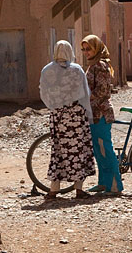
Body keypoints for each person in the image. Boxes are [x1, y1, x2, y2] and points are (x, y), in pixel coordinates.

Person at [39, 40, 94, 200]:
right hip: (76, 116)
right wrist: (87, 114)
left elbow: (43, 93)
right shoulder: (77, 70)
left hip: (58, 116)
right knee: (78, 151)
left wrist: (55, 106)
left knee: (58, 151)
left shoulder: (47, 70)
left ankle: (54, 190)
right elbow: (85, 94)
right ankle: (79, 189)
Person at [81, 34, 123, 196]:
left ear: (96, 48)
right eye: (83, 49)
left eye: (88, 49)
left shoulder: (101, 65)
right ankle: (103, 183)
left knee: (105, 149)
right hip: (94, 113)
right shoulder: (93, 65)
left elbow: (103, 91)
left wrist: (85, 95)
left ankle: (114, 185)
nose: (86, 52)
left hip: (101, 113)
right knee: (99, 151)